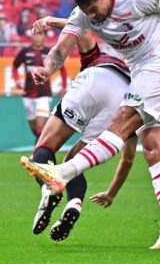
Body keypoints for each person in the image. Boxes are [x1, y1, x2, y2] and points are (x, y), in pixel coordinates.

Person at [20, 0, 160, 249]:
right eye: (87, 11)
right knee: (153, 148)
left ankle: (64, 172)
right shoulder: (83, 15)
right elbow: (60, 49)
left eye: (94, 8)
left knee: (121, 122)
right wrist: (47, 70)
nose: (93, 16)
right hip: (142, 74)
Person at [28, 15, 136, 241]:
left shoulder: (99, 56)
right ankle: (74, 203)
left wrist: (49, 20)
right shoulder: (140, 88)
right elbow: (128, 158)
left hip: (96, 79)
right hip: (123, 101)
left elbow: (83, 30)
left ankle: (49, 188)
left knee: (46, 146)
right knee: (75, 162)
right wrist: (111, 194)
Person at [12, 31, 67, 142]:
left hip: (44, 94)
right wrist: (17, 80)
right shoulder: (25, 51)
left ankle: (37, 155)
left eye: (40, 35)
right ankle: (40, 144)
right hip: (28, 94)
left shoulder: (50, 52)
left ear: (44, 37)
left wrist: (64, 86)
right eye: (35, 35)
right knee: (34, 127)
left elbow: (63, 69)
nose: (37, 38)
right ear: (31, 37)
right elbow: (14, 67)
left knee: (40, 125)